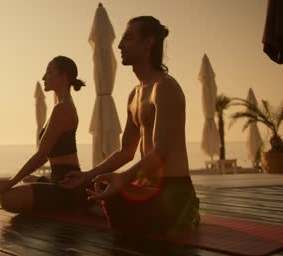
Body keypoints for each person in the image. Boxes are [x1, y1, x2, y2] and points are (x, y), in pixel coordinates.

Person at [60, 16, 200, 234]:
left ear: (148, 42)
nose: (120, 45)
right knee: (85, 190)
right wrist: (88, 175)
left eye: (127, 38)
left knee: (111, 199)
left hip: (173, 191)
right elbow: (126, 151)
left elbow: (161, 153)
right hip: (145, 187)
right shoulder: (134, 94)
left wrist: (122, 180)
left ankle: (188, 212)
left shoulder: (165, 88)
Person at [0, 56, 87, 213]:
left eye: (49, 72)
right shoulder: (61, 107)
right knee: (25, 182)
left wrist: (11, 182)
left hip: (67, 185)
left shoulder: (62, 109)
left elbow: (42, 155)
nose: (43, 77)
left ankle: (74, 202)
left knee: (7, 199)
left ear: (64, 77)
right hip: (60, 179)